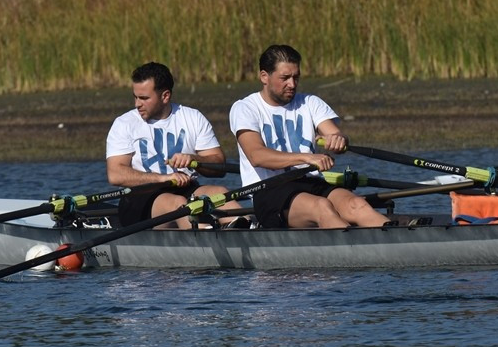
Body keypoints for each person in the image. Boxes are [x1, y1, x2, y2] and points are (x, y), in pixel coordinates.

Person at [229, 44, 389, 229]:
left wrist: (337, 139)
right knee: (322, 207)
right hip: (269, 190)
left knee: (358, 205)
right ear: (264, 76)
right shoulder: (245, 108)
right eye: (285, 78)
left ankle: (398, 245)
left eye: (296, 77)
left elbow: (334, 133)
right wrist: (307, 157)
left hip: (310, 182)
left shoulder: (310, 102)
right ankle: (355, 252)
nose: (292, 84)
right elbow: (257, 156)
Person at [105, 62, 235, 229]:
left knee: (219, 193)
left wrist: (194, 159)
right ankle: (206, 245)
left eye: (144, 98)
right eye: (135, 97)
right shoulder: (124, 123)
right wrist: (164, 178)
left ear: (165, 96)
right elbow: (116, 174)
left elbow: (219, 167)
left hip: (186, 190)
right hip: (140, 198)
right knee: (178, 204)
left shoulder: (192, 117)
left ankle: (248, 233)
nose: (137, 104)